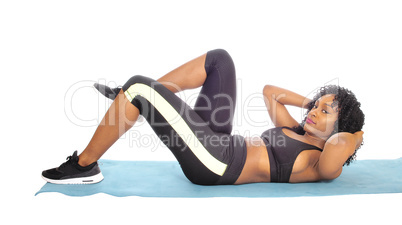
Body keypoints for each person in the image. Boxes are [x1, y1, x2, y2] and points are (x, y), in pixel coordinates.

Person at [42, 49, 365, 185]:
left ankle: (84, 166)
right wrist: (315, 104)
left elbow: (342, 142)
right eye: (316, 107)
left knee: (139, 87)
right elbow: (271, 92)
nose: (313, 112)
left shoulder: (321, 161)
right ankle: (135, 104)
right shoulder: (296, 129)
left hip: (217, 163)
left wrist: (355, 131)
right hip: (219, 140)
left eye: (325, 112)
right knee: (220, 60)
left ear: (341, 129)